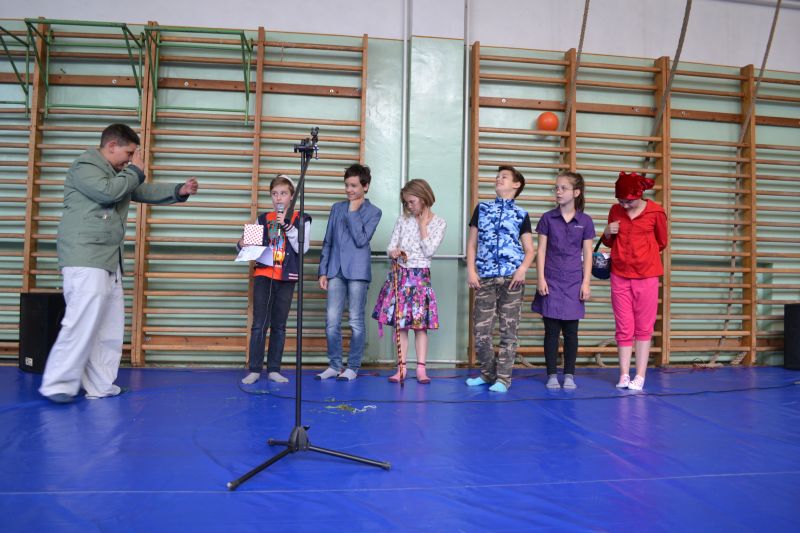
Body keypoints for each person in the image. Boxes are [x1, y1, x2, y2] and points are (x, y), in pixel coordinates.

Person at [39, 123, 199, 403]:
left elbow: (140, 191)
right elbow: (108, 192)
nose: (130, 159)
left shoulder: (117, 175)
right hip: (86, 257)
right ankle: (57, 385)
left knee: (108, 329)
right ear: (112, 146)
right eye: (128, 152)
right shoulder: (85, 166)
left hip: (109, 260)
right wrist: (135, 170)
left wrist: (179, 190)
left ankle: (100, 385)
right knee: (80, 322)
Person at [465, 165, 535, 393]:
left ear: (516, 184)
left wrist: (522, 269)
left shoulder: (521, 214)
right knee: (481, 331)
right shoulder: (482, 208)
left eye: (504, 177)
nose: (498, 179)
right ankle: (487, 373)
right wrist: (471, 270)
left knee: (508, 330)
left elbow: (530, 250)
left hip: (512, 279)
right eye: (497, 176)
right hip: (485, 277)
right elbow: (472, 244)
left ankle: (503, 379)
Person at [238, 175, 312, 385]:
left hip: (286, 278)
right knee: (259, 324)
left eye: (283, 193)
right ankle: (254, 369)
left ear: (291, 197)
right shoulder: (263, 218)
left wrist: (287, 226)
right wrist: (241, 244)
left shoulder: (301, 218)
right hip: (264, 276)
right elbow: (248, 247)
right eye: (274, 193)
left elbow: (302, 249)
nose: (278, 198)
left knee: (279, 325)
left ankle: (274, 369)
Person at [372, 179, 445, 384]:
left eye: (412, 202)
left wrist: (422, 226)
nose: (408, 206)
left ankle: (421, 368)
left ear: (424, 199)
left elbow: (429, 250)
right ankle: (401, 367)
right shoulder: (402, 220)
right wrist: (393, 252)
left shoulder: (439, 223)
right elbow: (390, 246)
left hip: (420, 278)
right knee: (401, 325)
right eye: (406, 203)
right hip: (400, 276)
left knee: (420, 326)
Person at [601, 171, 668, 391]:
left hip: (646, 275)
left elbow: (662, 242)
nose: (625, 205)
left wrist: (643, 254)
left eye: (628, 201)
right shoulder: (615, 211)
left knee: (644, 328)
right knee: (623, 326)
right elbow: (609, 243)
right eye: (621, 201)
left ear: (639, 195)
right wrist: (607, 232)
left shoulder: (656, 212)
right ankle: (623, 374)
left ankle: (639, 376)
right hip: (619, 274)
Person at [316, 164, 382, 381]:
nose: (349, 190)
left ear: (365, 186)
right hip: (335, 270)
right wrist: (323, 271)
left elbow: (361, 240)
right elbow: (328, 241)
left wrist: (353, 212)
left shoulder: (374, 212)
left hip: (357, 272)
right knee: (331, 321)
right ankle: (334, 365)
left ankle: (353, 367)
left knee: (355, 321)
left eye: (353, 185)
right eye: (346, 185)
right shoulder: (336, 208)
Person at [532, 172, 595, 389]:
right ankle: (551, 375)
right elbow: (541, 251)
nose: (558, 192)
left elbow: (588, 254)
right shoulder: (547, 218)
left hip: (574, 282)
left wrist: (586, 282)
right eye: (556, 188)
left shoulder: (585, 221)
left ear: (576, 193)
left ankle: (569, 375)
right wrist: (540, 278)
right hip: (551, 280)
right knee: (551, 331)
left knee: (571, 332)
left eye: (563, 188)